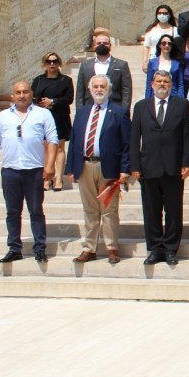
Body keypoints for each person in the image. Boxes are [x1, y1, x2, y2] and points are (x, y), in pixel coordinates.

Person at [0, 80, 58, 263]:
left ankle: (40, 248)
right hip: (11, 171)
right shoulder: (3, 116)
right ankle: (14, 248)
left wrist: (49, 165)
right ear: (12, 95)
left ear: (31, 93)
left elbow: (53, 140)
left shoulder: (43, 114)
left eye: (25, 92)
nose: (22, 95)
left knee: (36, 211)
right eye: (18, 92)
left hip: (33, 171)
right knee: (13, 212)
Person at [66, 75, 131, 264]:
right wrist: (70, 168)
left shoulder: (119, 112)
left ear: (109, 89)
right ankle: (89, 248)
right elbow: (75, 141)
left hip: (108, 167)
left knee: (109, 210)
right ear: (90, 89)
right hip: (85, 166)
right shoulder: (83, 112)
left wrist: (125, 169)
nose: (99, 89)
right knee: (90, 209)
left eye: (103, 86)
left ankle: (112, 248)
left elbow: (127, 143)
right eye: (96, 86)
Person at [130, 70, 189, 266]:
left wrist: (187, 163)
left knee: (174, 210)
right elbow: (134, 139)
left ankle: (171, 249)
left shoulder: (181, 105)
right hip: (149, 167)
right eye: (159, 81)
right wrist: (135, 165)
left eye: (166, 81)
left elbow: (186, 136)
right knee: (151, 210)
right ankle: (155, 249)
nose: (162, 84)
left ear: (171, 85)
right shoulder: (141, 107)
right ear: (152, 85)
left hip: (174, 167)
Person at [31, 52, 74, 191]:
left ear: (59, 63)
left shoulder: (65, 80)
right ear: (45, 63)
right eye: (49, 61)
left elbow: (69, 99)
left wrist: (53, 101)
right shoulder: (38, 80)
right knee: (45, 147)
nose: (52, 64)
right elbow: (33, 96)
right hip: (42, 116)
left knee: (60, 147)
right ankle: (47, 178)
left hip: (59, 116)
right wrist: (42, 102)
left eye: (55, 61)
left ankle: (59, 178)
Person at [75, 32, 132, 108]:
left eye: (105, 43)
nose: (102, 45)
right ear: (94, 46)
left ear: (110, 46)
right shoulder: (85, 66)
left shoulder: (121, 65)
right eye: (99, 43)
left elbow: (126, 91)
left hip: (114, 109)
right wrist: (80, 111)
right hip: (90, 108)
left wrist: (124, 111)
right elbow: (80, 91)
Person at [144, 34, 184, 98]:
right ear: (159, 45)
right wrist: (147, 100)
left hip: (173, 96)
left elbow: (180, 84)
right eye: (164, 43)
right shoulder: (152, 62)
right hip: (155, 96)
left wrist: (181, 100)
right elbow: (149, 84)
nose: (166, 45)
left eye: (169, 44)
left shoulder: (177, 64)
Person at [141, 3, 178, 72]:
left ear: (169, 15)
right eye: (160, 13)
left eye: (165, 13)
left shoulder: (175, 30)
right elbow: (146, 46)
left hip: (169, 60)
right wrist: (144, 62)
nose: (162, 15)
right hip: (153, 59)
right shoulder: (151, 29)